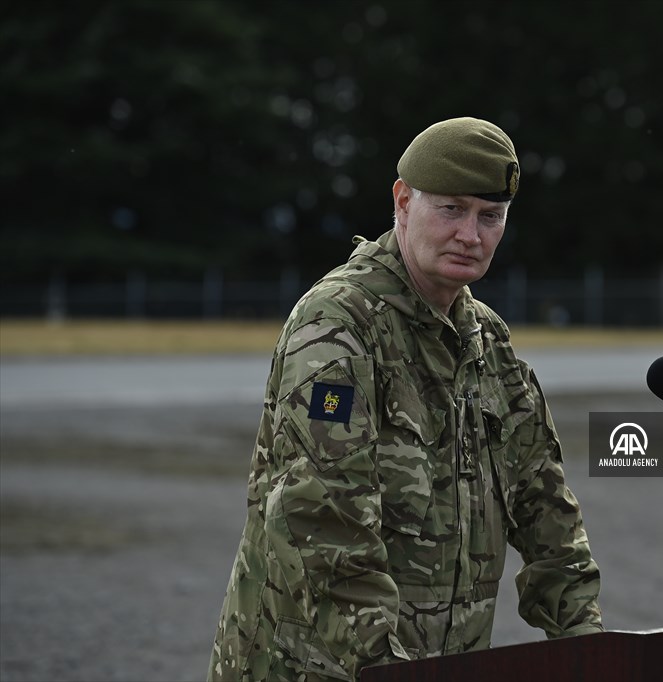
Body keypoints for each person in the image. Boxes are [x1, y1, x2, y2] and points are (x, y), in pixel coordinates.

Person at [208, 117, 603, 681]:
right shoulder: (337, 327)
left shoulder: (488, 343)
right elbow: (321, 519)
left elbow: (546, 507)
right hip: (319, 668)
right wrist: (384, 666)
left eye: (490, 217)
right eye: (451, 209)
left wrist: (587, 642)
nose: (471, 234)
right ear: (402, 201)